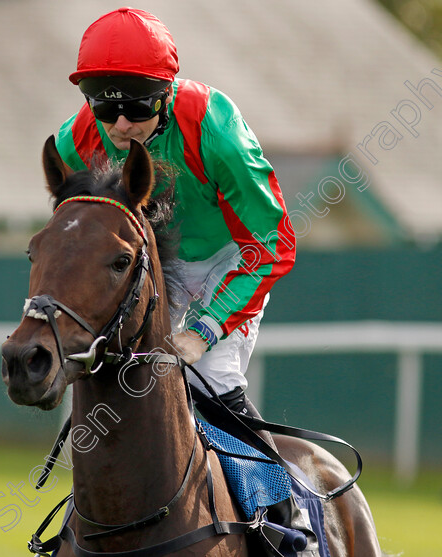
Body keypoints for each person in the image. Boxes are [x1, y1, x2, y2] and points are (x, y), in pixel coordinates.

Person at [54, 7, 296, 428]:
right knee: (113, 388)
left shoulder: (215, 129)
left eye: (136, 107)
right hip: (151, 260)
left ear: (166, 94)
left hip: (232, 259)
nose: (121, 126)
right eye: (106, 109)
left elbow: (273, 243)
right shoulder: (74, 144)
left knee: (211, 382)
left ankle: (278, 491)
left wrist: (205, 331)